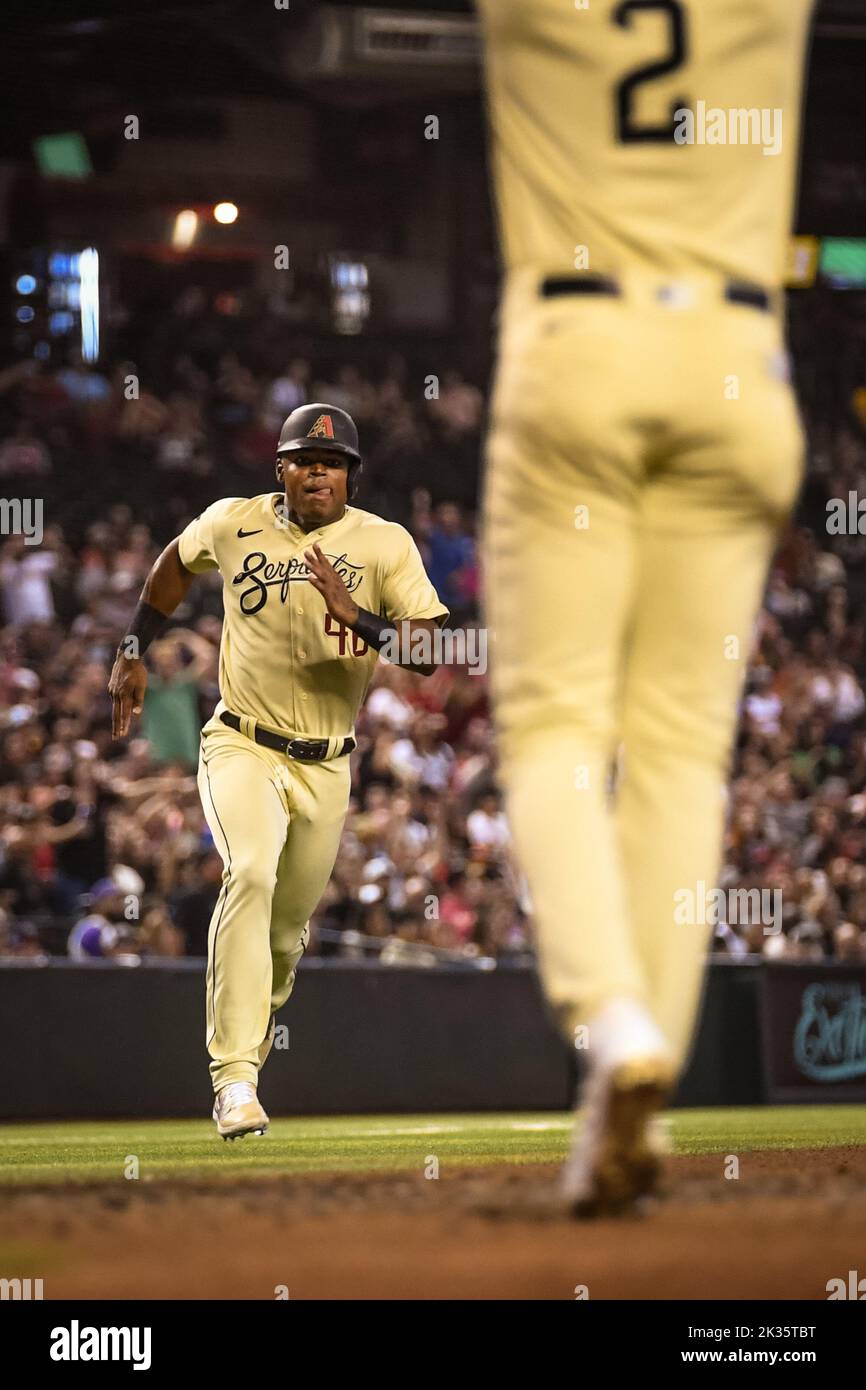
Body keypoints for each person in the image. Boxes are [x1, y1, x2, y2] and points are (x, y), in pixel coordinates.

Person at [476, 0, 815, 1213]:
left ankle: (613, 1026)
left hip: (579, 341)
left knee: (558, 729)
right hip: (741, 359)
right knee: (683, 754)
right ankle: (633, 1098)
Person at [108, 404, 448, 1140]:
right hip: (241, 744)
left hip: (328, 765)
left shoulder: (384, 544)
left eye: (331, 462)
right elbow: (174, 561)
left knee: (287, 937)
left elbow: (435, 652)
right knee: (250, 873)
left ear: (351, 475)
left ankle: (252, 1038)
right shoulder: (235, 522)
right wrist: (135, 647)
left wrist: (355, 614)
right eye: (304, 459)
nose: (317, 471)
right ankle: (234, 1080)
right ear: (281, 469)